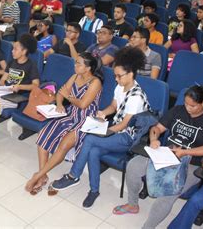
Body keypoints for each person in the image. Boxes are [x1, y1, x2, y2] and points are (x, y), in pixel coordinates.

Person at [51, 47, 152, 208]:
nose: (116, 79)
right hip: (116, 129)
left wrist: (104, 132)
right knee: (93, 150)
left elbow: (125, 125)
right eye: (115, 76)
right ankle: (94, 191)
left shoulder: (136, 97)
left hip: (128, 137)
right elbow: (113, 105)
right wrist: (103, 114)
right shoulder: (121, 87)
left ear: (131, 74)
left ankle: (73, 175)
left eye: (119, 76)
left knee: (90, 139)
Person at [112, 85, 203, 228]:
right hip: (166, 154)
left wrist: (185, 152)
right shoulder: (178, 110)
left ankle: (148, 226)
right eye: (186, 103)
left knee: (168, 191)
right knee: (133, 166)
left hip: (191, 163)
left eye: (192, 106)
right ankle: (132, 204)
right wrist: (154, 139)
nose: (188, 108)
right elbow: (157, 128)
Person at [25, 52, 103, 194]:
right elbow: (60, 93)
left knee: (64, 145)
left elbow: (83, 104)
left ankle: (38, 175)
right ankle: (43, 176)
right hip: (71, 113)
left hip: (86, 120)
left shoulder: (95, 82)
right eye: (76, 62)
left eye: (79, 63)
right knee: (44, 134)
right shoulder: (74, 77)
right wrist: (60, 103)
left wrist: (68, 96)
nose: (75, 65)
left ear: (88, 68)